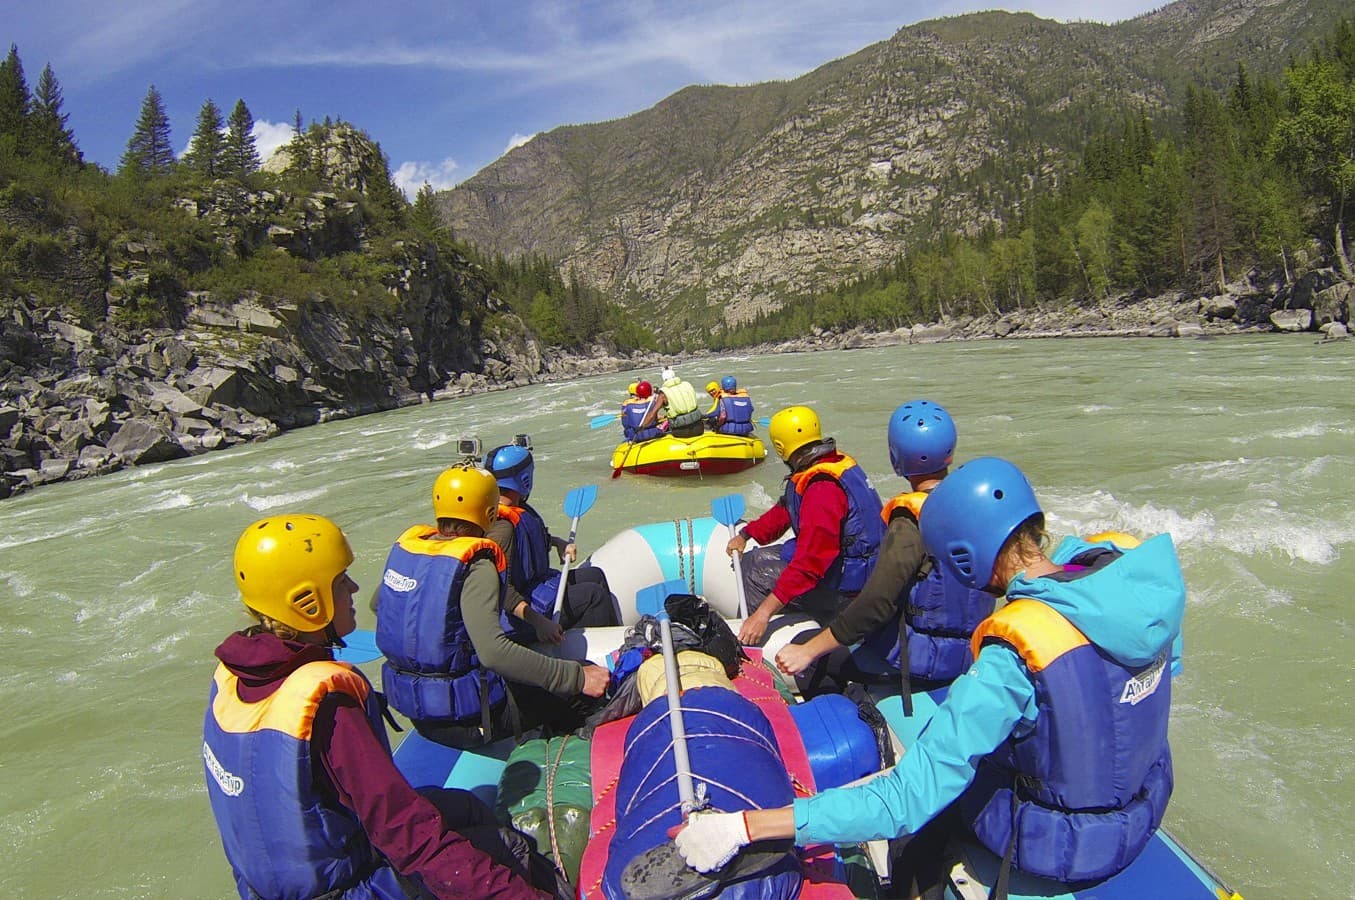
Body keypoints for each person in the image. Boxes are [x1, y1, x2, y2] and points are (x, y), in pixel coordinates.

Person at [675, 457, 1184, 894]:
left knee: (915, 843)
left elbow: (908, 797)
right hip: (1142, 811)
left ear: (965, 555)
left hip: (1061, 848)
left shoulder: (1016, 654)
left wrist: (747, 825)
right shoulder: (1136, 585)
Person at [204, 513, 564, 899]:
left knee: (465, 807)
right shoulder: (326, 707)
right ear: (308, 603)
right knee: (506, 848)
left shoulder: (230, 678)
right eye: (342, 582)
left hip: (287, 880)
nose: (355, 588)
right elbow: (409, 835)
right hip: (348, 888)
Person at [374, 465, 611, 749]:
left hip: (419, 712)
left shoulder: (413, 553)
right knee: (582, 691)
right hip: (470, 720)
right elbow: (493, 652)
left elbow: (379, 605)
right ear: (488, 512)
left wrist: (443, 638)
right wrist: (576, 677)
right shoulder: (477, 566)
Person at [775, 400, 994, 702]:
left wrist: (809, 650)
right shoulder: (978, 503)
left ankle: (866, 728)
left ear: (895, 460)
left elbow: (876, 604)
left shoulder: (910, 522)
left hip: (925, 661)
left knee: (814, 663)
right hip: (973, 650)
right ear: (950, 451)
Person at [727, 405, 884, 646]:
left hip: (847, 593)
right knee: (755, 558)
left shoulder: (822, 488)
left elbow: (810, 563)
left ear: (781, 447)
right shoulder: (830, 463)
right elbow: (786, 509)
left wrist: (763, 614)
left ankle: (749, 642)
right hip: (845, 572)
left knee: (755, 574)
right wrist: (746, 534)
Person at [483, 440, 619, 639]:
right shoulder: (502, 528)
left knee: (595, 575)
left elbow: (529, 544)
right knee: (593, 596)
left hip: (534, 586)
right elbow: (499, 588)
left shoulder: (518, 508)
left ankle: (606, 633)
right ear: (524, 478)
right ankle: (601, 654)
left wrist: (557, 543)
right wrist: (540, 623)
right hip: (519, 615)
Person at [639, 366, 704, 438]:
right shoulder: (687, 384)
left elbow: (652, 415)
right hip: (699, 427)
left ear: (664, 379)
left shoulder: (663, 393)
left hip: (681, 431)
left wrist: (641, 427)